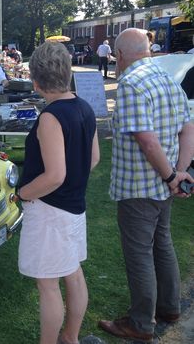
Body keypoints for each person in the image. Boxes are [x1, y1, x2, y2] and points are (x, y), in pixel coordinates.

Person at [98, 28, 194, 343]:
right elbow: (188, 129)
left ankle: (141, 324)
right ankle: (169, 308)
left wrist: (171, 176)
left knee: (140, 253)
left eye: (115, 55)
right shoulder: (167, 79)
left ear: (121, 55)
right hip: (164, 186)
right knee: (162, 244)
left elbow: (147, 140)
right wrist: (179, 174)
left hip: (139, 187)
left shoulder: (131, 84)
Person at [17, 41, 100, 344]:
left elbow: (54, 176)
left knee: (48, 284)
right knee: (73, 272)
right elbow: (93, 159)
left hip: (51, 210)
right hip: (74, 207)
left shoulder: (51, 117)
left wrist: (22, 193)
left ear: (36, 81)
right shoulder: (84, 107)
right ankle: (71, 337)